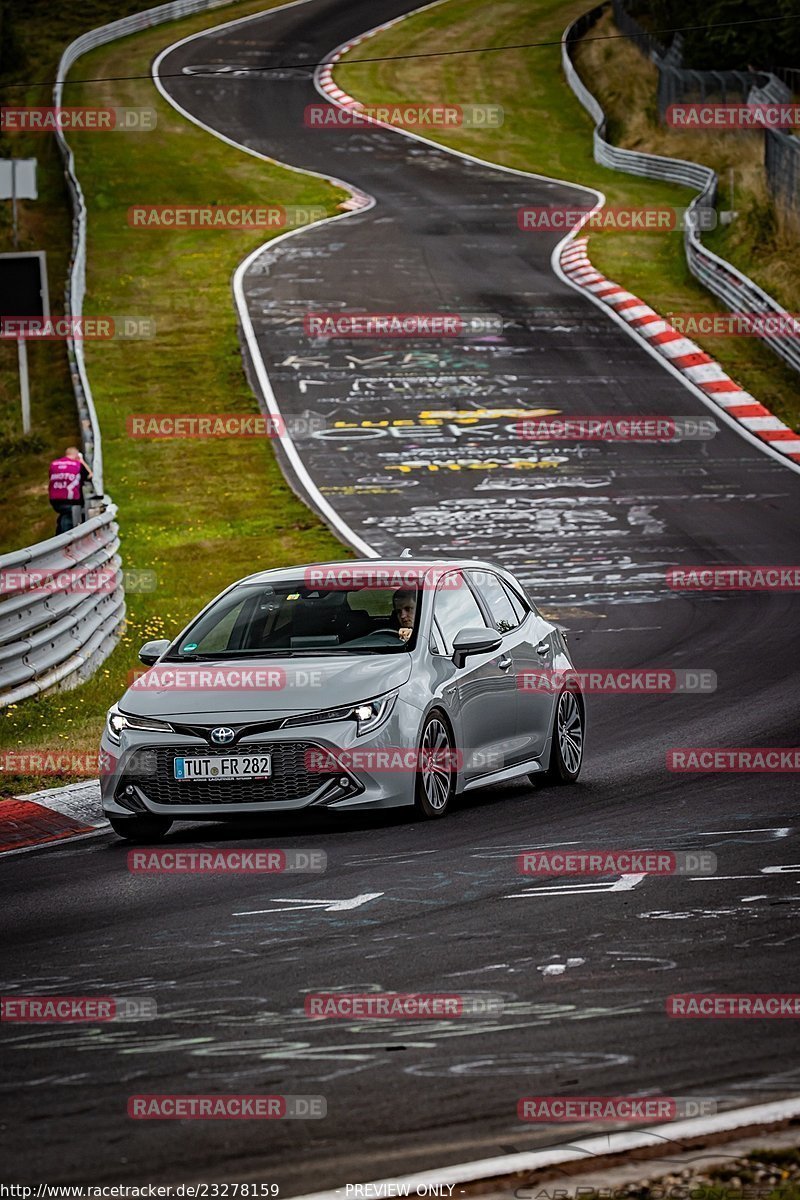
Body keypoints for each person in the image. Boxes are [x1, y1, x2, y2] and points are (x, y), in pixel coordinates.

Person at [48, 446, 92, 535]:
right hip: (71, 500)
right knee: (69, 519)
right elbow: (90, 475)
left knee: (64, 515)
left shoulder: (54, 464)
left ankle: (58, 538)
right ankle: (64, 540)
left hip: (54, 500)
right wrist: (82, 461)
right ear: (77, 456)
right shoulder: (77, 465)